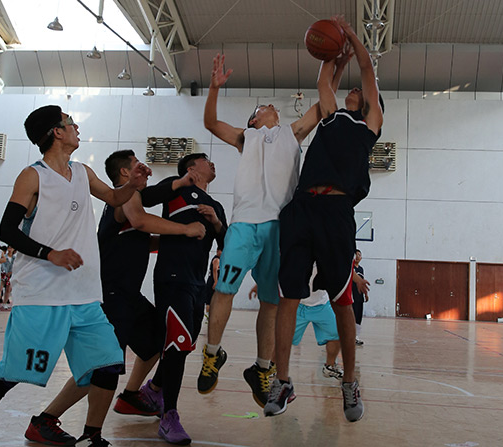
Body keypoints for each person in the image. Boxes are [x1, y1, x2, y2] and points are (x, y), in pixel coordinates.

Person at [0, 105, 149, 447]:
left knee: (108, 365)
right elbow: (8, 229)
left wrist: (133, 185)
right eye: (70, 123)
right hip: (41, 294)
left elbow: (114, 197)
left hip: (84, 295)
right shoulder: (33, 176)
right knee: (11, 373)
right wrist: (50, 253)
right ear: (57, 132)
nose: (76, 127)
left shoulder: (82, 172)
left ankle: (92, 437)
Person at [198, 49, 351, 407]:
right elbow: (211, 123)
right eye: (263, 106)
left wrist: (338, 66)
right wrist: (214, 87)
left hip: (281, 227)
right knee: (224, 289)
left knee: (272, 301)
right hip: (244, 223)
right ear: (254, 120)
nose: (270, 106)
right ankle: (212, 354)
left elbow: (323, 104)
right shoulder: (245, 137)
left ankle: (262, 368)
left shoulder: (292, 132)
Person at [23, 149, 206, 446]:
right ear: (124, 173)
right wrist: (185, 229)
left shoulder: (130, 201)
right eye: (136, 165)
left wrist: (181, 240)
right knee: (103, 366)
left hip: (129, 296)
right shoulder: (125, 196)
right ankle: (45, 419)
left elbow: (144, 237)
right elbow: (142, 222)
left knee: (159, 340)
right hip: (111, 295)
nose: (143, 170)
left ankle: (132, 396)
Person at [265, 16, 383, 423]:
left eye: (360, 92)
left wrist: (349, 36)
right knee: (289, 295)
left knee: (341, 300)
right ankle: (282, 380)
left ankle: (349, 381)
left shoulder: (370, 125)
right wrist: (335, 56)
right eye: (351, 89)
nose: (354, 90)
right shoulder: (331, 116)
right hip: (302, 207)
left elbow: (368, 70)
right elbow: (322, 82)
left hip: (336, 212)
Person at [146, 152, 227, 444]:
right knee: (177, 344)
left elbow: (226, 243)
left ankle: (153, 390)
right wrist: (180, 181)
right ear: (191, 168)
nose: (212, 162)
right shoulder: (176, 187)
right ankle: (169, 416)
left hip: (196, 284)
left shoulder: (215, 206)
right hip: (172, 279)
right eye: (206, 159)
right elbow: (145, 198)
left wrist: (216, 223)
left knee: (183, 345)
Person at [250, 264, 344, 380]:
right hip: (296, 304)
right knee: (284, 337)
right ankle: (273, 366)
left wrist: (358, 280)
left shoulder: (325, 257)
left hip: (322, 305)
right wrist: (259, 285)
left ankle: (330, 366)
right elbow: (280, 269)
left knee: (337, 333)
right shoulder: (297, 256)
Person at [352, 249, 369, 345]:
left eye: (359, 255)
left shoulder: (361, 269)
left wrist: (365, 294)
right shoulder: (350, 268)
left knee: (358, 316)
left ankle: (356, 337)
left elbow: (362, 283)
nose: (358, 257)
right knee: (351, 316)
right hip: (351, 297)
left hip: (359, 297)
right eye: (356, 255)